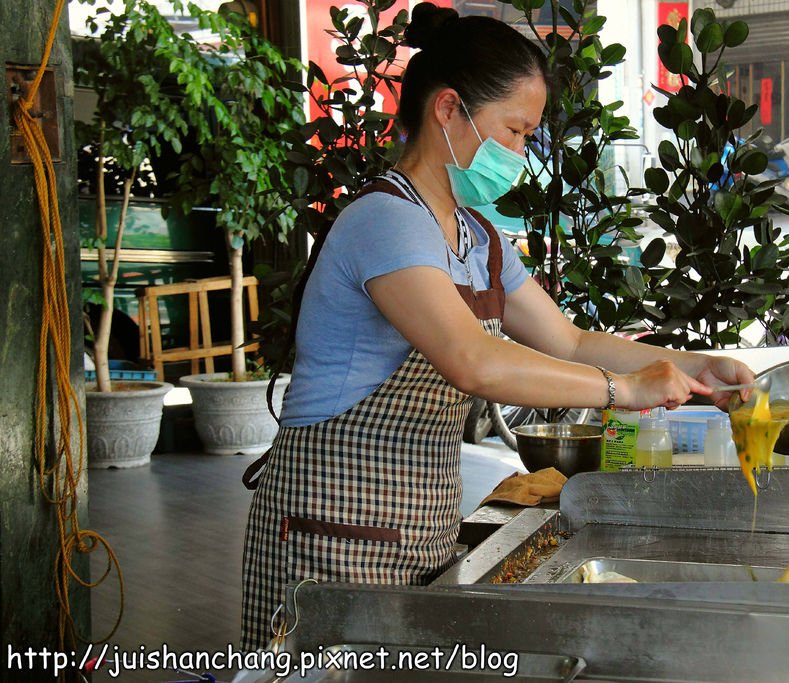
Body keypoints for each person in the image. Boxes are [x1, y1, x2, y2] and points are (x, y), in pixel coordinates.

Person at [240, 2, 755, 651]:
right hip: (328, 534)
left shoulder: (477, 235)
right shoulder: (385, 221)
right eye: (514, 132)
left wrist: (695, 365)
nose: (519, 153)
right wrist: (622, 392)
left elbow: (567, 339)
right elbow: (471, 359)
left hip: (413, 533)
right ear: (449, 109)